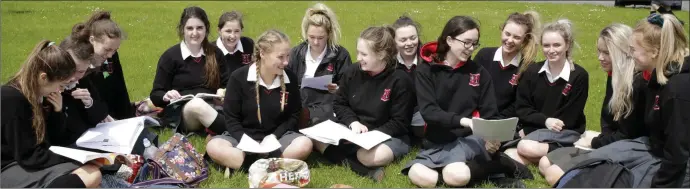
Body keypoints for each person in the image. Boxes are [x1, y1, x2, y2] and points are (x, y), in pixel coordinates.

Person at [577, 13, 690, 188]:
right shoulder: (659, 78)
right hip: (656, 152)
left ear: (654, 52)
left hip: (676, 166)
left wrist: (658, 185)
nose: (630, 55)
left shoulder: (677, 89)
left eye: (633, 50)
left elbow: (677, 153)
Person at [537, 23, 648, 185]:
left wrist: (594, 142)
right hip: (612, 142)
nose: (600, 57)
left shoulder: (636, 84)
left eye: (606, 53)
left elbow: (627, 135)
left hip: (627, 149)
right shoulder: (615, 77)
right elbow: (611, 125)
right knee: (544, 163)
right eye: (599, 51)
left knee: (553, 173)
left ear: (623, 53)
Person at [400, 16, 504, 187]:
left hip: (468, 139)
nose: (471, 48)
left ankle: (495, 167)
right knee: (418, 174)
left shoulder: (479, 73)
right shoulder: (426, 70)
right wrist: (464, 121)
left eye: (475, 43)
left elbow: (490, 113)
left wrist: (492, 138)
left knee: (457, 175)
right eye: (466, 42)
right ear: (449, 40)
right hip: (437, 141)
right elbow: (429, 111)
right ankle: (472, 171)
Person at [313, 26, 413, 182]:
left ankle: (349, 158)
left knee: (369, 156)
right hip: (354, 130)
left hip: (387, 135)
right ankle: (362, 169)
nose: (358, 57)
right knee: (316, 137)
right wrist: (353, 122)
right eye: (358, 52)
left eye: (364, 54)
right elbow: (340, 103)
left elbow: (400, 123)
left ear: (381, 55)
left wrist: (370, 136)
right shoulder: (353, 71)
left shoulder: (400, 80)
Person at [205, 29, 313, 173]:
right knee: (214, 146)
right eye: (280, 57)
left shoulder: (290, 78)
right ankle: (269, 166)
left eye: (288, 56)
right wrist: (245, 140)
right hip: (243, 138)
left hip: (278, 139)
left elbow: (293, 115)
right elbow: (231, 118)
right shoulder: (238, 78)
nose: (286, 62)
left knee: (304, 144)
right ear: (262, 53)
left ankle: (249, 166)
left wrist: (274, 136)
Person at [1, 40, 102, 188]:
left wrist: (57, 112)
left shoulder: (42, 94)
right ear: (43, 77)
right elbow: (30, 157)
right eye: (61, 85)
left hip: (28, 160)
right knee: (91, 176)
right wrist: (77, 158)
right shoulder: (11, 99)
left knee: (92, 173)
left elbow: (55, 140)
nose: (60, 90)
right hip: (8, 167)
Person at [502, 19, 589, 166]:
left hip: (565, 132)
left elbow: (570, 118)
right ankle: (547, 156)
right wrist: (545, 121)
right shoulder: (532, 71)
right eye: (546, 45)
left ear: (567, 45)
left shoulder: (579, 76)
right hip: (536, 128)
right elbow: (523, 108)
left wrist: (532, 128)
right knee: (510, 154)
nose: (551, 50)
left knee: (524, 147)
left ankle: (567, 149)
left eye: (557, 45)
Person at [149, 6, 228, 134]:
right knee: (196, 104)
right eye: (190, 28)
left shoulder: (215, 53)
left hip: (213, 107)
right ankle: (235, 132)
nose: (195, 33)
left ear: (206, 29)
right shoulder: (170, 56)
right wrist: (166, 96)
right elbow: (155, 94)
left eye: (199, 28)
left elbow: (228, 83)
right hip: (184, 114)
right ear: (182, 29)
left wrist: (223, 91)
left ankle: (221, 126)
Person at [287, 3, 352, 125]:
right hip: (300, 110)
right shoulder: (296, 53)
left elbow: (349, 91)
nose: (316, 42)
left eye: (321, 38)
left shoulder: (340, 56)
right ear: (306, 34)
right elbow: (286, 84)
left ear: (328, 35)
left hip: (327, 112)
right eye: (311, 37)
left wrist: (336, 89)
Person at [474, 11, 541, 119]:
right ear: (502, 30)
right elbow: (471, 87)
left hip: (503, 122)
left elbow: (519, 103)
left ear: (525, 40)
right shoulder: (484, 55)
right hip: (476, 117)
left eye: (517, 37)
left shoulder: (527, 67)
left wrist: (496, 120)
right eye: (507, 34)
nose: (510, 40)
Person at [72, 11, 132, 121]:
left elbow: (119, 87)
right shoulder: (78, 61)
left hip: (107, 115)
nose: (110, 55)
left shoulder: (110, 57)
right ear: (92, 40)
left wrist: (126, 119)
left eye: (115, 50)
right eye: (107, 49)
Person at [391, 14, 425, 144]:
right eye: (403, 40)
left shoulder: (429, 60)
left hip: (421, 110)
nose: (409, 43)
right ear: (394, 41)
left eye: (413, 38)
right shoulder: (388, 63)